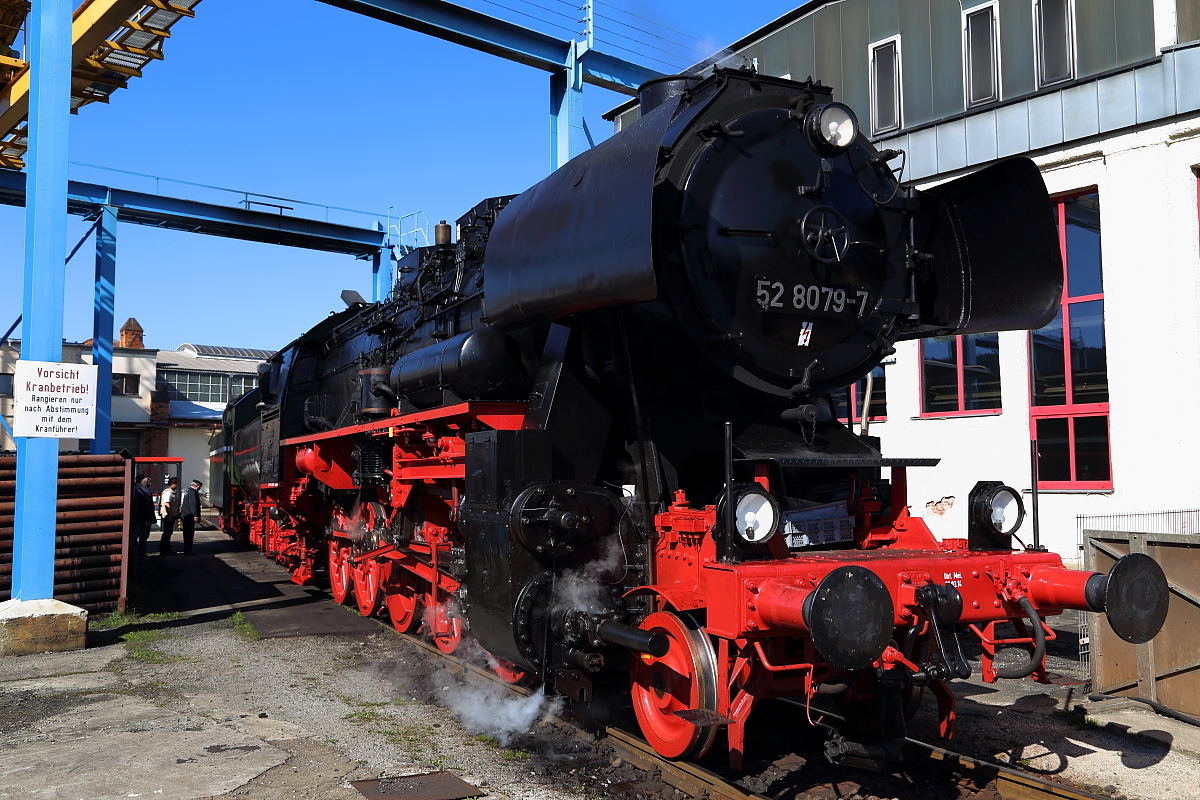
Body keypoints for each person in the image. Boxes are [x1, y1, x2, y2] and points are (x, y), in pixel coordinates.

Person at [130, 474, 157, 558]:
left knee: (134, 535)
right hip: (143, 518)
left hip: (135, 517)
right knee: (143, 536)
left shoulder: (134, 489)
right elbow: (148, 507)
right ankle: (140, 552)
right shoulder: (146, 492)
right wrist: (148, 519)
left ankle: (133, 552)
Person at [179, 479, 203, 555]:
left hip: (185, 515)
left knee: (186, 533)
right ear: (196, 486)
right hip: (189, 516)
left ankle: (187, 549)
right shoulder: (193, 492)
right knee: (189, 533)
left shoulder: (187, 491)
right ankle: (188, 550)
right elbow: (193, 504)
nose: (200, 488)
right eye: (199, 486)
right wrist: (195, 515)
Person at [159, 477, 180, 555]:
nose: (177, 485)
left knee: (168, 532)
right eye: (176, 483)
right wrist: (170, 515)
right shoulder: (168, 492)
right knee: (167, 533)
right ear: (172, 484)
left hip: (170, 515)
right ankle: (165, 550)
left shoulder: (171, 492)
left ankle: (166, 549)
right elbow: (167, 504)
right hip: (168, 516)